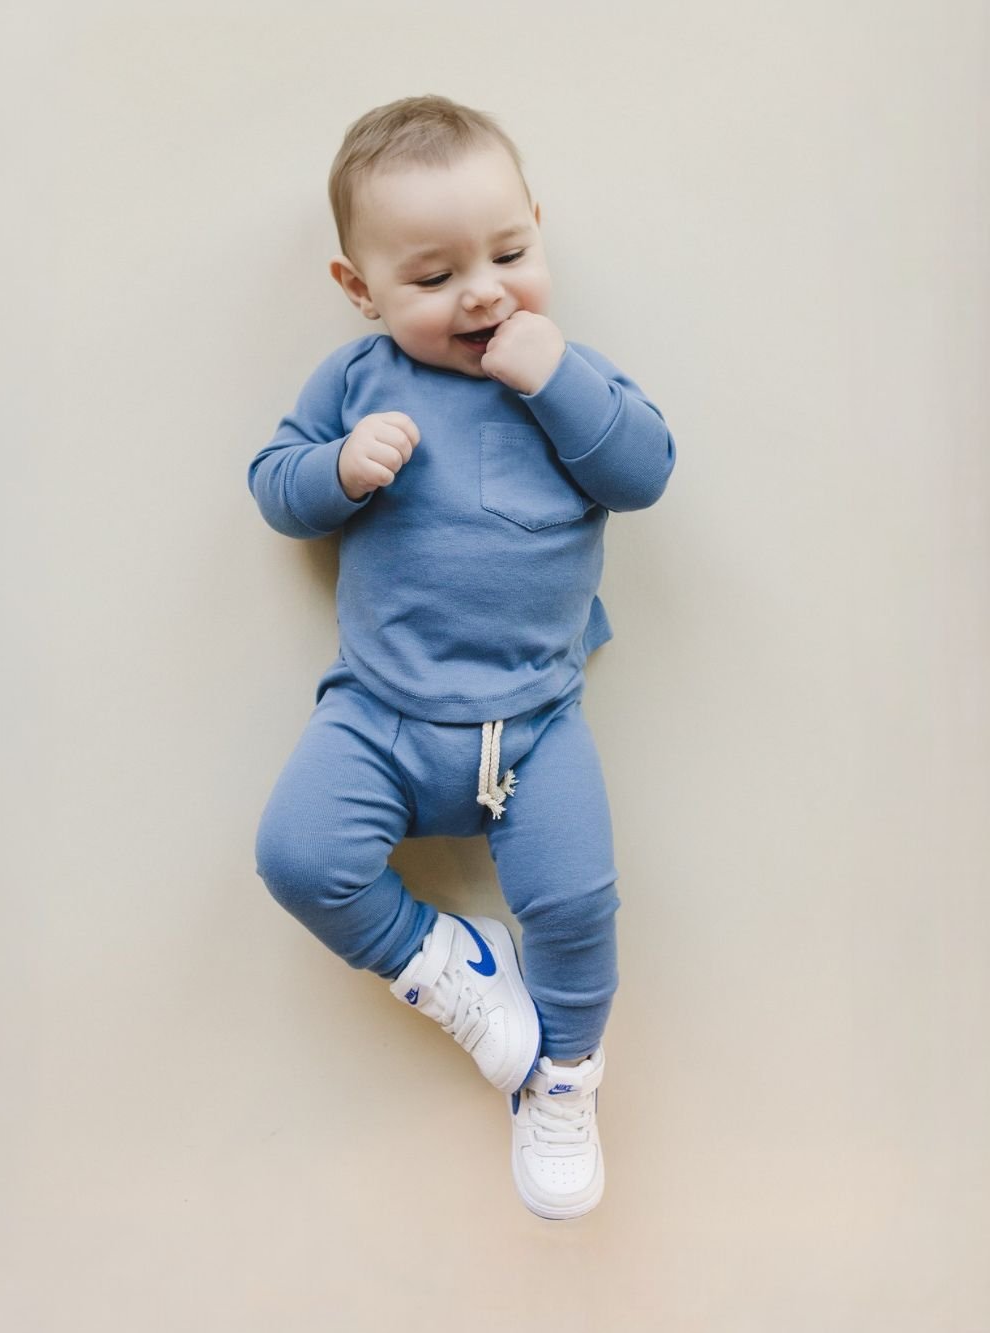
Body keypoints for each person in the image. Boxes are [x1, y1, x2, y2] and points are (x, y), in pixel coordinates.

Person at [247, 94, 676, 1220]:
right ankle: (443, 963)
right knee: (297, 855)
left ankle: (563, 1072)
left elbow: (643, 472)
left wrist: (552, 374)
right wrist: (338, 469)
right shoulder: (356, 382)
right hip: (377, 715)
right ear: (361, 290)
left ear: (540, 225)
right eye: (433, 279)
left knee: (577, 903)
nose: (484, 292)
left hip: (536, 724)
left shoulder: (573, 379)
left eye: (511, 254)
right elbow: (274, 489)